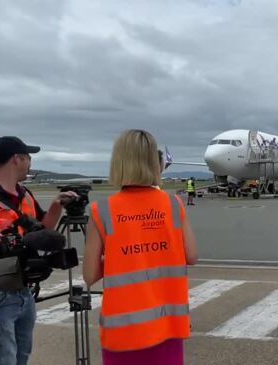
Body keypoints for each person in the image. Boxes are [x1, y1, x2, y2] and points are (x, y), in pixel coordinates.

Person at [83, 130, 198, 365]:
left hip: (123, 329)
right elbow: (192, 256)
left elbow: (89, 275)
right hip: (168, 324)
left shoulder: (101, 210)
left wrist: (123, 257)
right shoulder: (173, 204)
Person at [0, 136, 77, 365]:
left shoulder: (25, 195)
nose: (30, 163)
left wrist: (56, 205)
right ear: (17, 159)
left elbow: (44, 231)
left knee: (20, 356)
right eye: (28, 157)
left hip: (23, 291)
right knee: (4, 359)